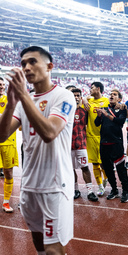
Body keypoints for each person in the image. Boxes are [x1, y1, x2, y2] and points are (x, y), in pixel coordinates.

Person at [0, 46, 76, 254]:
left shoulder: (64, 96)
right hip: (30, 184)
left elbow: (50, 132)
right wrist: (10, 104)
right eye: (23, 63)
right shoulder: (22, 101)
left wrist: (23, 96)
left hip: (55, 185)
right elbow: (1, 135)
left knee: (53, 249)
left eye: (33, 62)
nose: (26, 67)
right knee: (40, 245)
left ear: (50, 66)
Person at [95, 89, 128, 203]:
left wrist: (107, 115)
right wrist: (99, 116)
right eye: (110, 94)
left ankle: (125, 191)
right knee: (108, 169)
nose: (111, 96)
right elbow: (97, 123)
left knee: (121, 169)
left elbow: (120, 122)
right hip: (104, 143)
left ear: (119, 99)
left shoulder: (122, 109)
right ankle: (114, 190)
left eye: (114, 95)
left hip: (116, 143)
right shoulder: (104, 109)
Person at [71, 88, 98, 202]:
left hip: (81, 144)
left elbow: (93, 99)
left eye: (78, 95)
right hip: (68, 146)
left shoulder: (84, 111)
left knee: (85, 167)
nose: (76, 97)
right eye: (74, 95)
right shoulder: (65, 111)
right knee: (71, 169)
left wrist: (86, 100)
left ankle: (90, 192)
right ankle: (75, 190)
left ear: (81, 97)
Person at [86, 82, 109, 196]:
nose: (90, 90)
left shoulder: (107, 101)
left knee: (104, 162)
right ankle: (100, 186)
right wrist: (84, 99)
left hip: (104, 136)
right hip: (91, 136)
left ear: (98, 89)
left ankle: (105, 178)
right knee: (95, 163)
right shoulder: (88, 101)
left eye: (92, 88)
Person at [0, 77, 19, 212]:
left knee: (8, 172)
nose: (1, 86)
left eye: (2, 84)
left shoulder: (10, 100)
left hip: (8, 142)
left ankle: (6, 202)